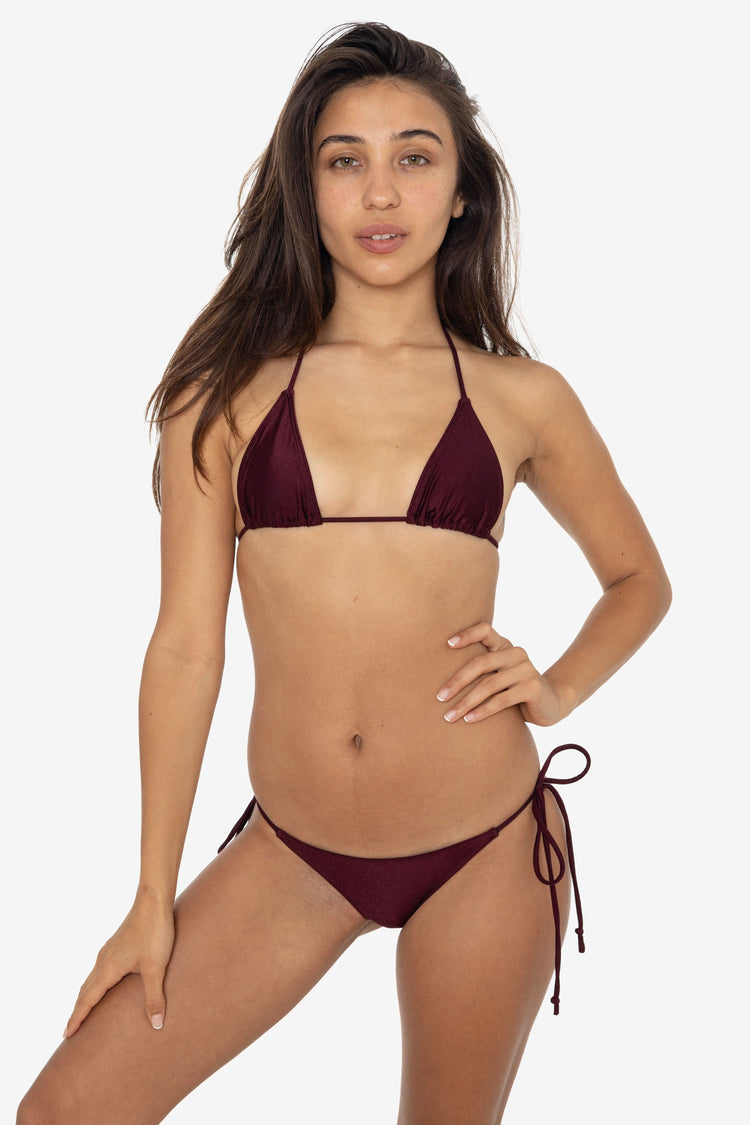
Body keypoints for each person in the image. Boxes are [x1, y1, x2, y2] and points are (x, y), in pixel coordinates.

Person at [16, 21, 671, 1125]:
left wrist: (556, 687)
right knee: (66, 1112)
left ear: (461, 193)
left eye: (415, 157)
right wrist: (151, 896)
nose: (380, 192)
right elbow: (186, 647)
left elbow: (639, 579)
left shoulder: (522, 398)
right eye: (344, 160)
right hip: (294, 851)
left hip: (485, 844)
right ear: (306, 189)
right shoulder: (223, 395)